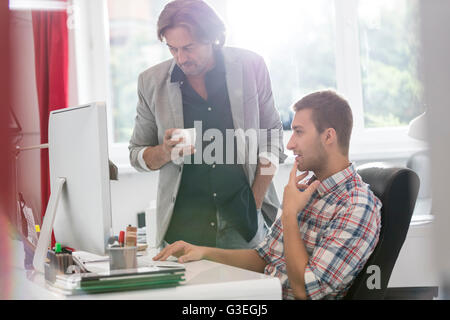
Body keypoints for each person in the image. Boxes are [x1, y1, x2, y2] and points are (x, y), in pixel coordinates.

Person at [153, 90, 382, 300]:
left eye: (299, 132)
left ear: (328, 136)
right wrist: (203, 252)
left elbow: (306, 290)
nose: (290, 145)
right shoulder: (307, 190)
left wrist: (290, 214)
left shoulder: (357, 206)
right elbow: (263, 258)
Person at [129, 0, 286, 249]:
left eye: (188, 48)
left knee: (250, 290)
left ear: (212, 37)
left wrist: (256, 200)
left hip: (244, 226)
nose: (181, 58)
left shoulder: (251, 66)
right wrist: (164, 152)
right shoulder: (151, 82)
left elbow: (273, 139)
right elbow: (136, 155)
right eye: (172, 49)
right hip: (182, 230)